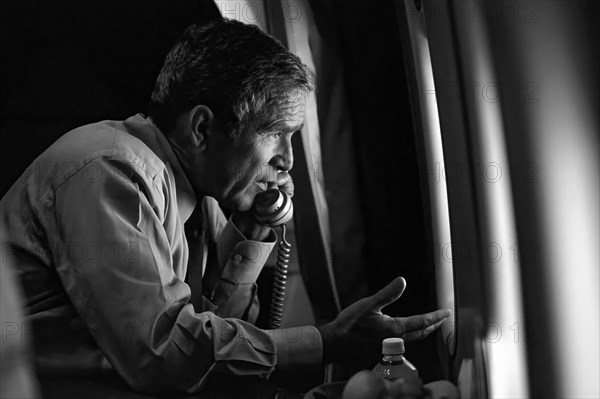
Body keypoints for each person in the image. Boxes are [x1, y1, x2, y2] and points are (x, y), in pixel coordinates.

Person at [0, 18, 450, 394]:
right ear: (201, 129)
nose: (288, 160)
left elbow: (217, 342)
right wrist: (325, 342)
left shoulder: (204, 197)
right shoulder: (110, 168)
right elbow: (163, 357)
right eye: (276, 132)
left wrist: (253, 233)